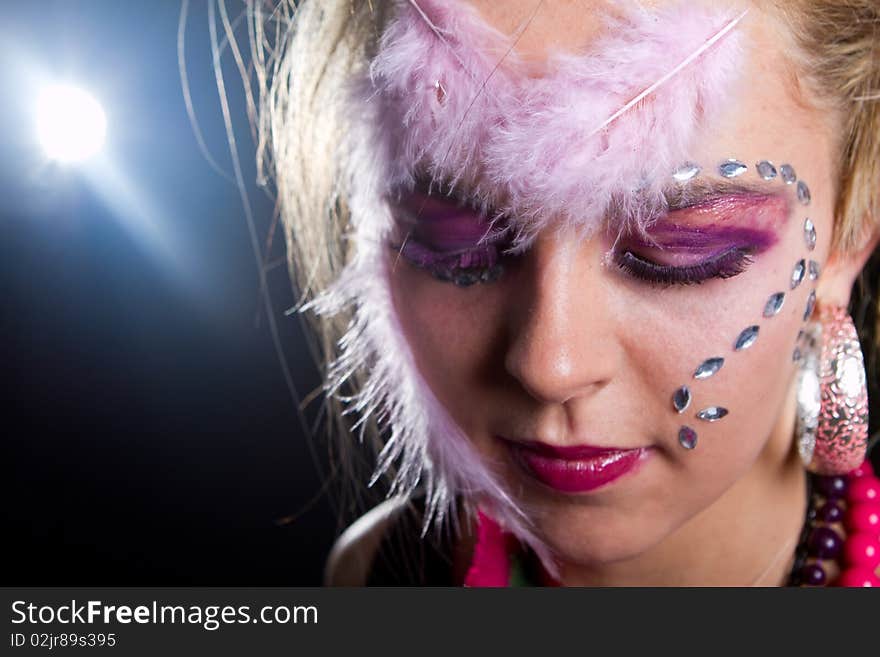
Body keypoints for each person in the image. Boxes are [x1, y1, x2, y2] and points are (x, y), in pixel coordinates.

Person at [249, 0, 880, 586]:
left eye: (678, 253)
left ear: (848, 237)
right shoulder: (373, 577)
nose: (550, 367)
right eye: (454, 244)